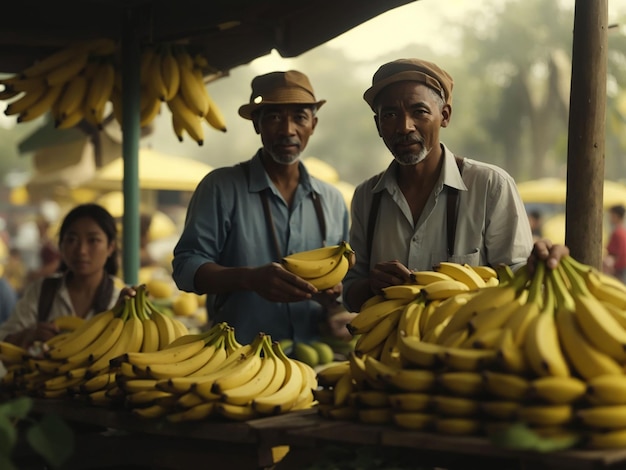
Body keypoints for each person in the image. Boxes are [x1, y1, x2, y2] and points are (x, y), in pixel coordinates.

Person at [172, 70, 352, 345]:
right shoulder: (220, 187)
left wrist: (334, 306)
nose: (288, 130)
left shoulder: (331, 199)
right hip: (238, 359)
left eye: (299, 117)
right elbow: (186, 268)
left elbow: (342, 283)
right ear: (257, 123)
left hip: (312, 358)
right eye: (274, 117)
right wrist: (249, 278)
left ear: (313, 125)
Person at [343, 58, 535, 312]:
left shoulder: (490, 187)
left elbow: (521, 282)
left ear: (444, 116)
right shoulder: (367, 197)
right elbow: (350, 293)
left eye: (419, 111)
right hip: (388, 349)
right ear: (378, 125)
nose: (404, 127)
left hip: (468, 347)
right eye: (389, 115)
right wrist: (371, 286)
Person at [0, 203, 128, 349]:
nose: (81, 250)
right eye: (72, 240)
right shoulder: (42, 292)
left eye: (93, 240)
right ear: (61, 246)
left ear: (110, 247)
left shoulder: (120, 299)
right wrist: (27, 335)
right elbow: (4, 340)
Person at [603, 204, 626, 282]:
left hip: (618, 270)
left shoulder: (617, 233)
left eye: (611, 215)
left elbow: (619, 254)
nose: (609, 218)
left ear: (616, 216)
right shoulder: (622, 232)